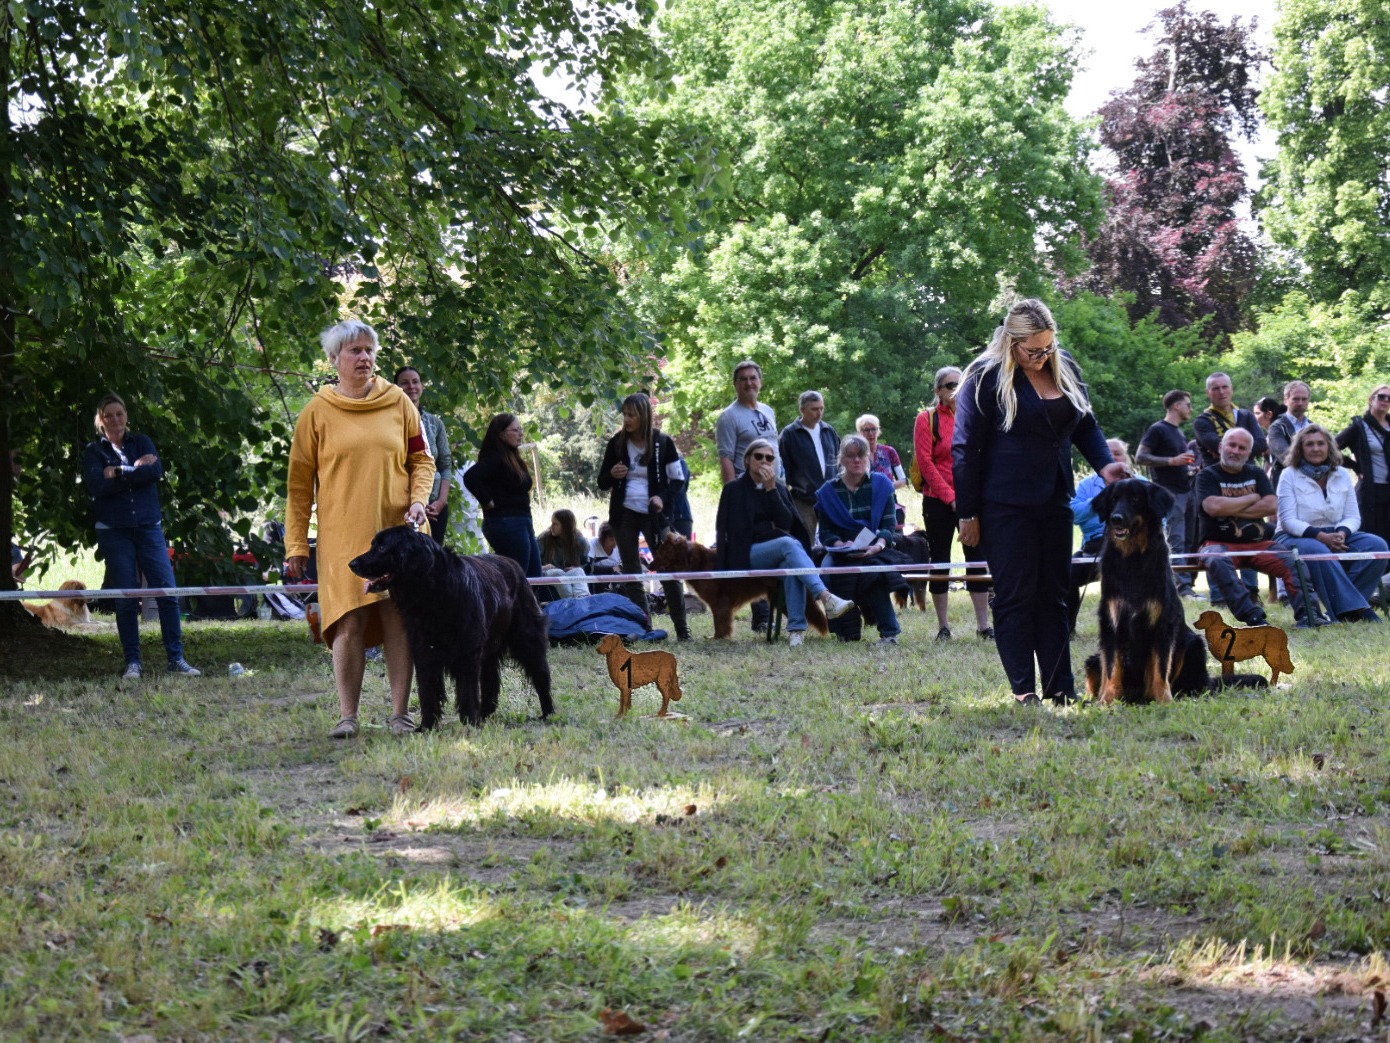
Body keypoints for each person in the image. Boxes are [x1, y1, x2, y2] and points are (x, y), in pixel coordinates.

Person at [953, 298, 1124, 706]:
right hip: (1003, 504)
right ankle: (1023, 691)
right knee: (1016, 596)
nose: (1042, 357)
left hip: (1055, 498)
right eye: (1033, 350)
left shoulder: (1065, 367)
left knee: (1054, 595)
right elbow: (965, 450)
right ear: (1011, 343)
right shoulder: (984, 377)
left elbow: (1085, 424)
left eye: (1048, 347)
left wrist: (1106, 465)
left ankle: (1060, 689)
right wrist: (967, 513)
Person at [286, 320, 434, 737]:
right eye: (355, 351)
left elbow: (422, 460)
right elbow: (299, 486)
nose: (364, 357)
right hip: (342, 537)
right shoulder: (316, 412)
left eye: (369, 350)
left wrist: (419, 499)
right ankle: (347, 716)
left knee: (398, 620)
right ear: (334, 359)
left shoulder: (398, 402)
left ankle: (400, 714)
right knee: (347, 623)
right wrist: (296, 544)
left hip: (399, 534)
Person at [82, 394, 201, 680]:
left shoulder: (143, 442)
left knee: (167, 592)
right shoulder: (93, 451)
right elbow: (97, 487)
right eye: (108, 415)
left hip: (149, 527)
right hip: (114, 531)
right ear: (100, 420)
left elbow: (155, 472)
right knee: (126, 597)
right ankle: (133, 662)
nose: (115, 419)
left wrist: (116, 472)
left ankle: (176, 659)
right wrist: (135, 470)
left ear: (126, 415)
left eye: (119, 413)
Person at [714, 439, 854, 646]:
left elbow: (787, 523)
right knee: (788, 544)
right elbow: (723, 528)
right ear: (747, 459)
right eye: (759, 456)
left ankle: (796, 630)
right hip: (745, 553)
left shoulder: (778, 488)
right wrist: (723, 567)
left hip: (776, 551)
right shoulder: (734, 489)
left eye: (769, 458)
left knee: (791, 566)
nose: (764, 461)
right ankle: (825, 597)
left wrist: (771, 491)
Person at [597, 392, 691, 640]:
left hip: (655, 517)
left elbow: (678, 480)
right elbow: (601, 482)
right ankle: (645, 627)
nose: (626, 419)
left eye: (632, 415)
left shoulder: (663, 442)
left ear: (644, 416)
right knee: (632, 573)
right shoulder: (616, 443)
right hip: (623, 516)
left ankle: (682, 628)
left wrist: (661, 497)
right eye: (624, 414)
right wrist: (612, 474)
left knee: (667, 570)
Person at [1195, 427, 1306, 627]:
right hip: (1217, 544)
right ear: (1220, 447)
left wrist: (1230, 508)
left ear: (1249, 453)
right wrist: (1252, 498)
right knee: (1217, 561)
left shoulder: (1256, 472)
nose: (1236, 451)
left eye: (1242, 448)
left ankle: (1309, 615)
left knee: (1293, 561)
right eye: (1232, 445)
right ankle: (1254, 617)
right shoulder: (1206, 475)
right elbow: (1214, 507)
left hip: (1259, 543)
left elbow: (1271, 505)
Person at [1276, 424, 1386, 622]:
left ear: (1329, 447)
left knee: (1377, 545)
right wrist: (1321, 537)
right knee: (1318, 550)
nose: (1316, 448)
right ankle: (1359, 609)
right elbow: (1288, 521)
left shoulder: (1342, 474)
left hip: (1336, 533)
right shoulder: (1289, 474)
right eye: (1309, 444)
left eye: (1321, 443)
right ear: (1300, 449)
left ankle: (1347, 610)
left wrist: (1342, 533)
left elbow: (1353, 516)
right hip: (1294, 536)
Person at [913, 366, 991, 640]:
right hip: (937, 501)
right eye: (949, 385)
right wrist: (951, 498)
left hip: (971, 500)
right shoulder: (926, 419)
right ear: (938, 390)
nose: (956, 389)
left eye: (961, 383)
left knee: (977, 559)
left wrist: (971, 499)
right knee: (940, 560)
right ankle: (943, 627)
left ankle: (984, 626)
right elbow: (926, 464)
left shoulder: (975, 416)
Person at [814, 435, 903, 644]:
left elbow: (889, 525)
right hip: (840, 550)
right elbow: (825, 533)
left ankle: (890, 633)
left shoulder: (882, 485)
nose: (856, 460)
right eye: (850, 455)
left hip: (874, 547)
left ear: (868, 457)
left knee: (874, 575)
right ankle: (846, 633)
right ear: (842, 459)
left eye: (861, 455)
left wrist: (879, 545)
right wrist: (839, 544)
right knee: (828, 574)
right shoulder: (828, 492)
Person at [715, 360, 777, 631]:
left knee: (774, 544)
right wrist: (734, 495)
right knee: (751, 549)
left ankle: (777, 609)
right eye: (743, 379)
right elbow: (726, 457)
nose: (749, 383)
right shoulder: (729, 417)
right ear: (735, 384)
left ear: (760, 381)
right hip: (747, 492)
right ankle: (760, 615)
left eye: (753, 378)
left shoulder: (768, 411)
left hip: (772, 489)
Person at [1067, 439, 1144, 633]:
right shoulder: (1087, 484)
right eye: (1108, 453)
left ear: (1126, 458)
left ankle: (1133, 629)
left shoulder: (1142, 483)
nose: (1113, 458)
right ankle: (1067, 628)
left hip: (1133, 548)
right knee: (1066, 575)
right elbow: (1074, 514)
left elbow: (1160, 519)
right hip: (1094, 548)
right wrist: (1104, 498)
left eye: (1117, 453)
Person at [1136, 390, 1200, 597]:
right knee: (1176, 540)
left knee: (1189, 540)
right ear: (1176, 406)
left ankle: (1186, 585)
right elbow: (1140, 457)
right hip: (1169, 494)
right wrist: (1172, 461)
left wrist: (1188, 469)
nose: (1191, 409)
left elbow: (1177, 462)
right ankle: (1181, 589)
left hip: (1187, 492)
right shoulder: (1158, 429)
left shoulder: (1178, 432)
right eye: (1188, 404)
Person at [463, 414, 541, 578]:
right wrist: (487, 501)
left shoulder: (513, 458)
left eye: (521, 429)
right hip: (506, 522)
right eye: (515, 430)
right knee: (518, 578)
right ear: (501, 434)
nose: (521, 434)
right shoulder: (495, 457)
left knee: (534, 577)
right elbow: (471, 477)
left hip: (523, 521)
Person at [393, 366, 454, 544]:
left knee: (433, 557)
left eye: (415, 382)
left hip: (434, 508)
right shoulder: (390, 422)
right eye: (405, 383)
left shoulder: (435, 424)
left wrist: (441, 502)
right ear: (396, 388)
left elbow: (445, 465)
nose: (411, 386)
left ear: (422, 386)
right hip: (400, 507)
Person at [780, 390, 840, 541]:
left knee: (835, 540)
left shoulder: (829, 431)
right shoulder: (789, 434)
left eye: (821, 408)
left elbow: (840, 461)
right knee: (806, 541)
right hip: (804, 500)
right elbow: (783, 468)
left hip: (830, 498)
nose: (819, 413)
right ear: (802, 409)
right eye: (814, 409)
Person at [1336, 384, 1390, 545]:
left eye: (1389, 398)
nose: (1385, 400)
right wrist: (1354, 465)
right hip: (1370, 491)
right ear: (1371, 399)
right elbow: (1331, 448)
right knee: (1373, 535)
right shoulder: (1359, 427)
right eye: (1381, 396)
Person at [1194, 372, 1267, 467]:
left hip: (1248, 472)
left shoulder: (1246, 415)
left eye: (1225, 387)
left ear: (1231, 389)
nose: (1221, 392)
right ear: (1208, 393)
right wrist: (1246, 449)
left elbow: (1262, 444)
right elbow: (1218, 446)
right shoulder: (1202, 421)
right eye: (1216, 388)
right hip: (1216, 474)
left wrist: (1224, 451)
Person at [856, 413, 907, 528]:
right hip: (865, 506)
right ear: (860, 432)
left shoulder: (889, 451)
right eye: (866, 430)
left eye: (874, 429)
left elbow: (903, 480)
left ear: (878, 431)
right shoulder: (855, 455)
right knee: (867, 536)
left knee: (891, 535)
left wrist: (886, 487)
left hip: (889, 504)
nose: (871, 433)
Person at [538, 509, 591, 599]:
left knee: (578, 571)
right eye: (552, 523)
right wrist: (544, 567)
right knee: (558, 573)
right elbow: (533, 564)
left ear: (566, 526)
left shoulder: (580, 541)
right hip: (548, 573)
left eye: (555, 524)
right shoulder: (544, 539)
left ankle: (582, 598)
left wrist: (576, 567)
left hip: (567, 573)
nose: (551, 527)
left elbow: (585, 563)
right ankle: (571, 601)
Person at [1267, 380, 1312, 488]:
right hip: (1287, 485)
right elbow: (1286, 456)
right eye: (1295, 399)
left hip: (1312, 485)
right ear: (1286, 400)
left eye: (1304, 399)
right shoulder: (1277, 427)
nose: (1300, 403)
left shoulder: (1313, 427)